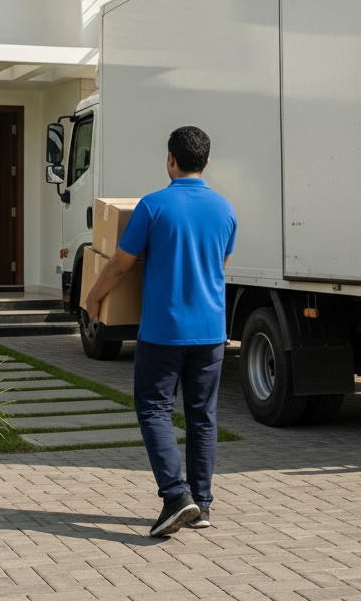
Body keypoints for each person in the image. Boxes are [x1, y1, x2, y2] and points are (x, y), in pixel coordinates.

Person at [85, 126, 236, 537]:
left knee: (153, 409)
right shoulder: (226, 210)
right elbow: (218, 264)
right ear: (206, 162)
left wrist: (93, 298)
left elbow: (119, 263)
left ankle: (175, 495)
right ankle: (201, 505)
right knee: (202, 418)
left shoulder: (153, 206)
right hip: (211, 332)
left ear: (170, 159)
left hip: (164, 331)